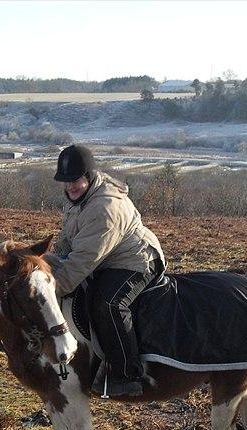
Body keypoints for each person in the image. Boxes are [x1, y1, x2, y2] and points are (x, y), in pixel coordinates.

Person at [46, 144, 165, 397]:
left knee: (107, 303)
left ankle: (126, 374)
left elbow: (81, 262)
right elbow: (68, 243)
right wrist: (47, 264)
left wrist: (48, 290)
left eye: (75, 180)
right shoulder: (78, 200)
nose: (70, 186)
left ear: (88, 176)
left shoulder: (104, 208)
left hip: (136, 261)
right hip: (107, 258)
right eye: (65, 181)